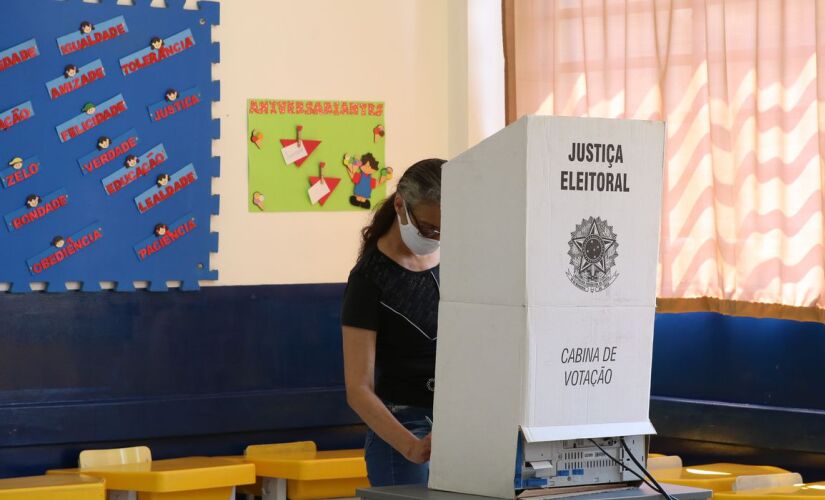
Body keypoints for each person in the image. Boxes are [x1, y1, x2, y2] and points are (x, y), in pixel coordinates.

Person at [341, 158, 445, 486]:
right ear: (400, 205)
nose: (437, 237)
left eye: (447, 229)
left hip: (457, 417)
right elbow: (358, 389)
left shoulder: (458, 258)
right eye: (429, 229)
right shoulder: (369, 279)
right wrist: (409, 446)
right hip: (401, 423)